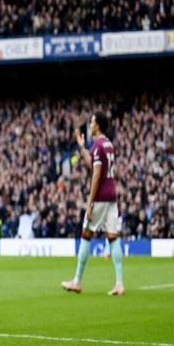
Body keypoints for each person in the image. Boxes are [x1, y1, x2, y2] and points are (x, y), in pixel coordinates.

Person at [61, 112, 125, 296]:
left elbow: (96, 175)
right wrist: (82, 147)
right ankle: (120, 283)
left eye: (92, 122)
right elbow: (93, 164)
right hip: (111, 195)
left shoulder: (97, 145)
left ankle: (77, 281)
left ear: (98, 125)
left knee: (86, 234)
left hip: (101, 196)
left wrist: (90, 203)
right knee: (113, 237)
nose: (90, 124)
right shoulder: (108, 144)